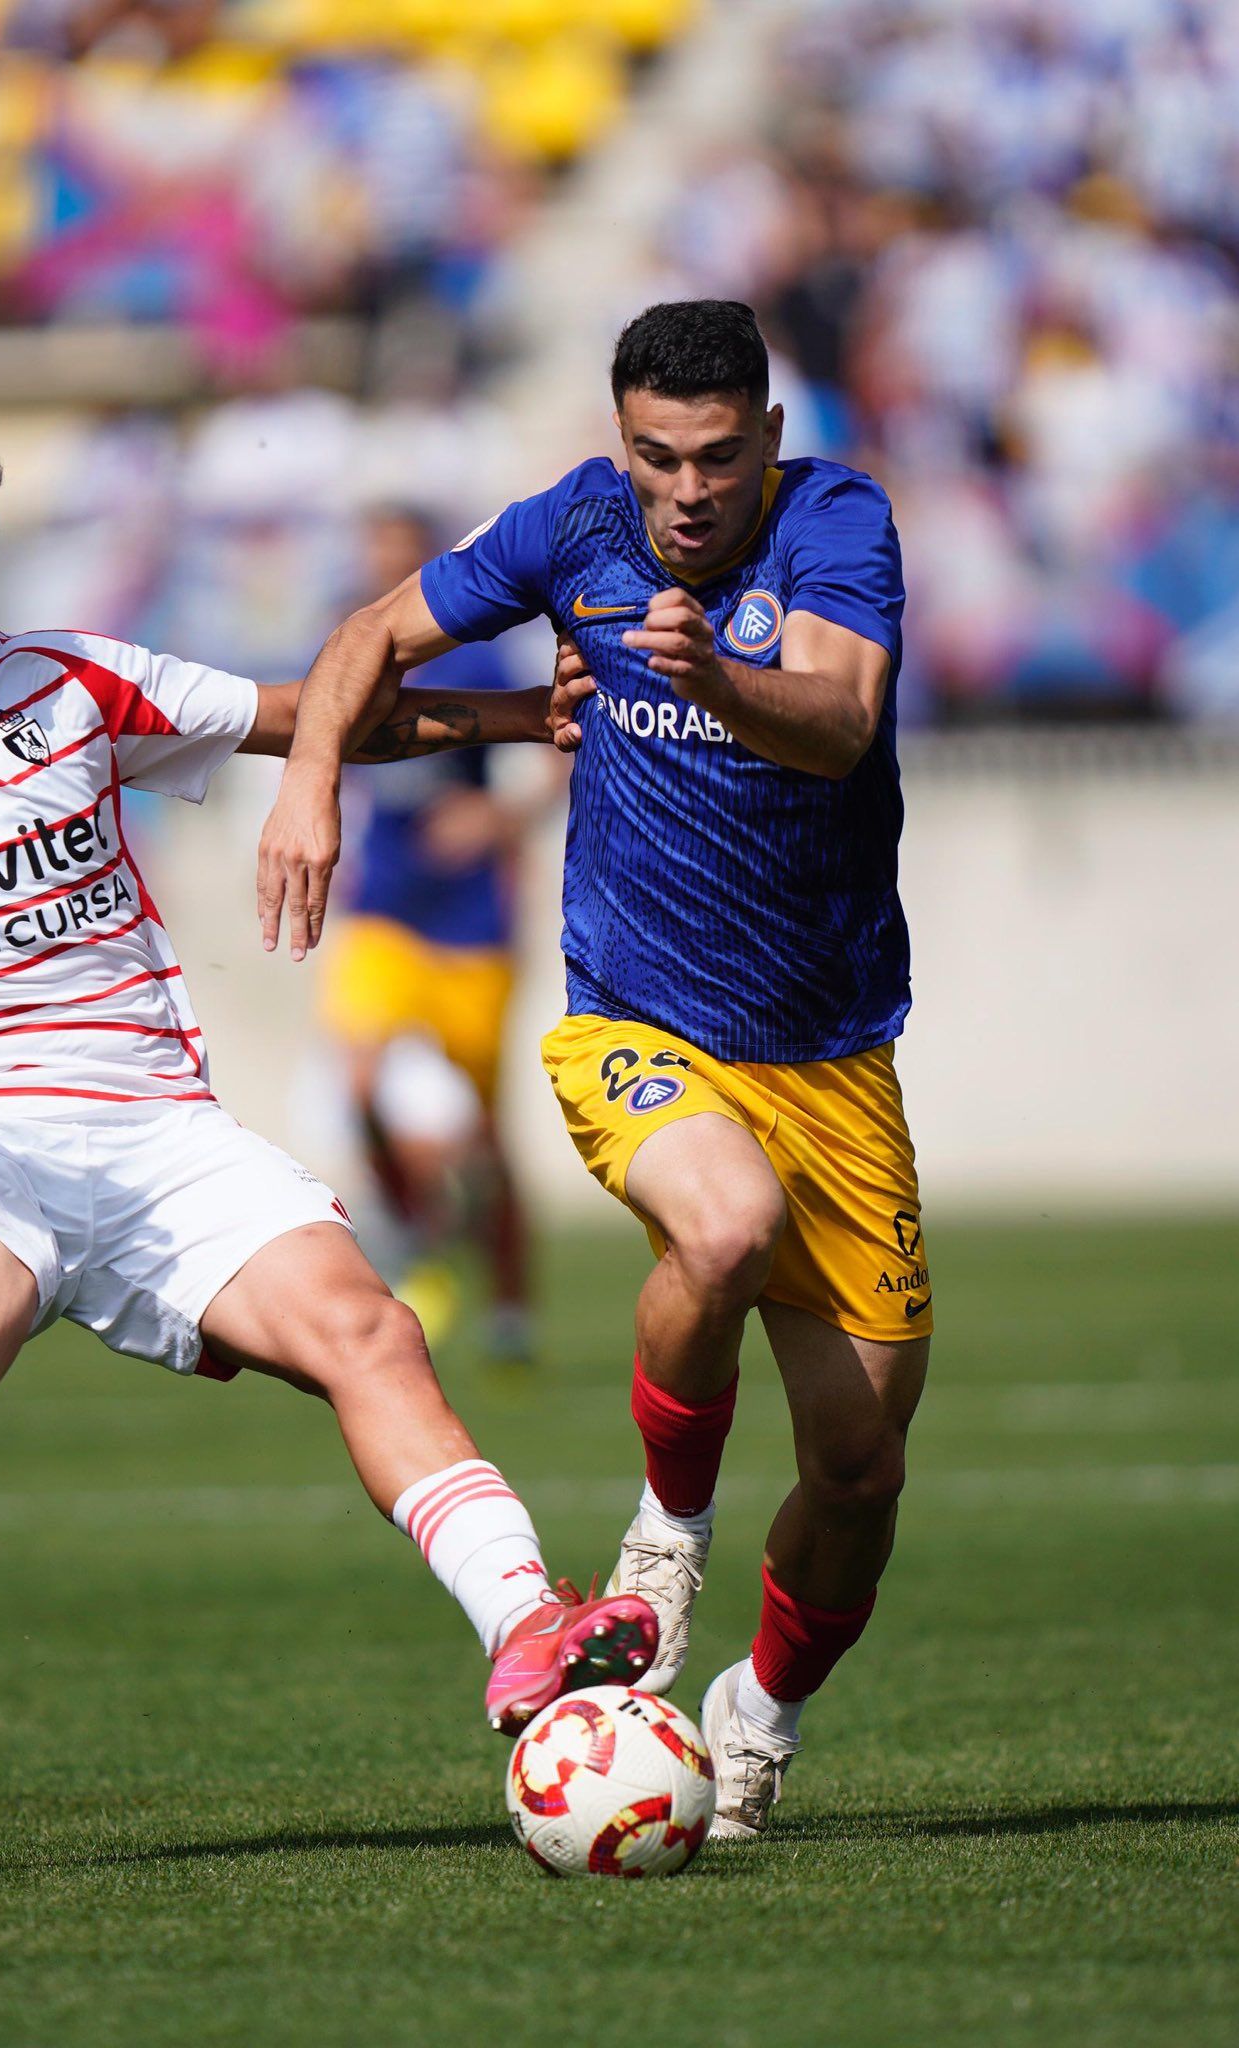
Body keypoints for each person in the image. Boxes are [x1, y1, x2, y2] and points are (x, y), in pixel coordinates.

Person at [0, 404, 656, 1886]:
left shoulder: (70, 680)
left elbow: (310, 717)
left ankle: (525, 1619)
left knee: (371, 1329)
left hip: (154, 1130)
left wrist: (527, 715)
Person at [255, 300, 930, 1841]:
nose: (683, 491)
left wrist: (713, 682)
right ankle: (663, 1537)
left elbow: (839, 720)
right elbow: (368, 640)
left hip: (832, 1060)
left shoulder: (832, 521)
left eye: (714, 457)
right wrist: (307, 788)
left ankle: (758, 1713)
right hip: (637, 1023)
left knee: (855, 1474)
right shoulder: (571, 524)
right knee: (723, 1227)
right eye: (653, 457)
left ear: (765, 438)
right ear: (619, 443)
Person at [318, 505, 562, 1373]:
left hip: (469, 926)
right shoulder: (346, 652)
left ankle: (510, 1307)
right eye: (372, 556)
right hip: (383, 908)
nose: (381, 575)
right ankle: (418, 1233)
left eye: (398, 558)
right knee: (358, 1081)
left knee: (485, 1141)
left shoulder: (480, 656)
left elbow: (562, 742)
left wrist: (497, 816)